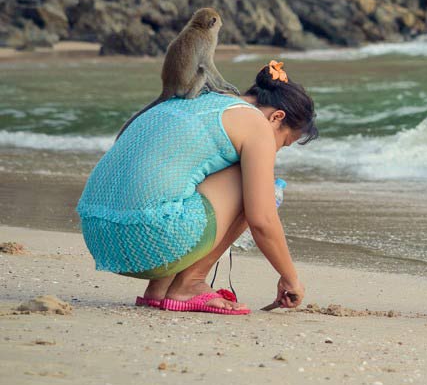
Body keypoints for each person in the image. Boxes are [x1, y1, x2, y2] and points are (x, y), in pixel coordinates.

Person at [76, 60, 317, 315]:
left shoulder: (201, 97)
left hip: (99, 235)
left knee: (182, 178)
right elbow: (262, 220)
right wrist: (289, 277)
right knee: (260, 186)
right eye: (284, 142)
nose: (276, 149)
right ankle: (189, 283)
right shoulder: (256, 123)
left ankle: (159, 290)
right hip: (147, 241)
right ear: (277, 117)